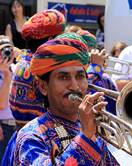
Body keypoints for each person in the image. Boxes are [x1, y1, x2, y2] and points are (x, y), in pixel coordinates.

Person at [13, 33, 119, 165]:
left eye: (80, 76)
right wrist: (85, 136)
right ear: (43, 86)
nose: (75, 86)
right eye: (63, 77)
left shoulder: (89, 127)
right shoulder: (31, 137)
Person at [1, 9, 66, 166]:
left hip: (21, 139)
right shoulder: (40, 69)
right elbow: (61, 113)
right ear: (50, 39)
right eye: (60, 39)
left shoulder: (24, 61)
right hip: (39, 144)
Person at [0, 35, 16, 162]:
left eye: (9, 50)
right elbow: (1, 104)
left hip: (17, 126)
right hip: (3, 128)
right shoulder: (6, 74)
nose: (6, 54)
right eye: (3, 51)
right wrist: (6, 75)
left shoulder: (17, 69)